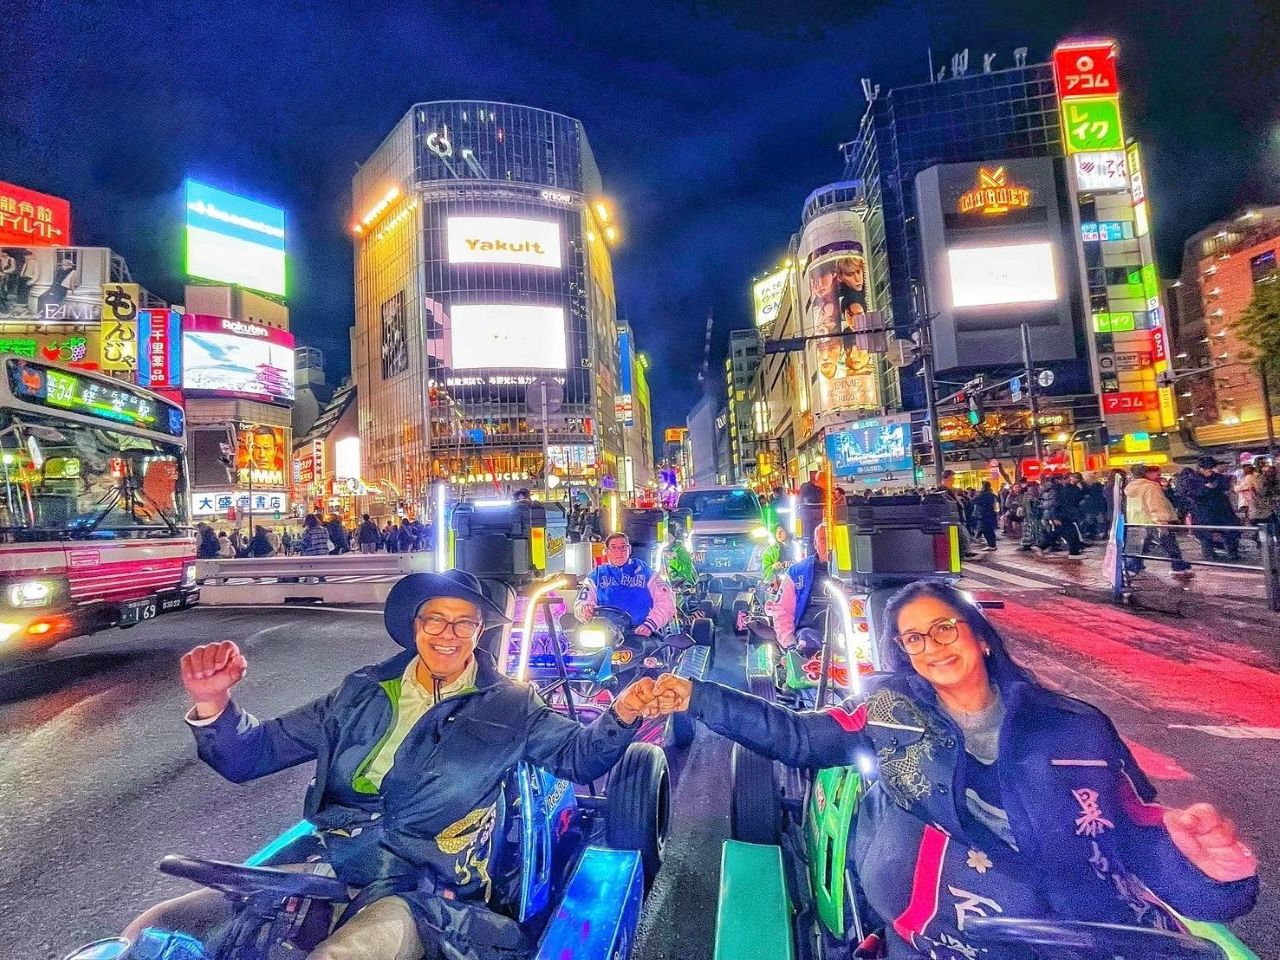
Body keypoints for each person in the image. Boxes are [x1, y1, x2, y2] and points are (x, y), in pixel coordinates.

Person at [648, 582, 1258, 956]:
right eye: (914, 639)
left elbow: (1139, 838)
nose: (933, 646)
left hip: (1101, 935)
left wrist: (1210, 868)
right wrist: (697, 696)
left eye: (944, 628)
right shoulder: (890, 715)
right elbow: (796, 737)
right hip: (946, 940)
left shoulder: (1076, 726)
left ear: (981, 637)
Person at [132, 570, 658, 960]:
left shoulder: (511, 705)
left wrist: (623, 713)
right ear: (415, 626)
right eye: (436, 619)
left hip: (425, 883)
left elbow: (579, 757)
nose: (448, 633)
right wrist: (213, 702)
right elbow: (252, 754)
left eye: (464, 622)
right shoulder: (359, 692)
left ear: (479, 631)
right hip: (330, 861)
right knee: (155, 930)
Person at [574, 532, 675, 638]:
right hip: (605, 634)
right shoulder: (596, 576)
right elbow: (582, 602)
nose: (619, 551)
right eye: (614, 548)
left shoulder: (646, 572)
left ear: (629, 549)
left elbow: (666, 600)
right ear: (607, 551)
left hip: (640, 634)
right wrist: (585, 609)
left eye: (623, 547)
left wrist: (650, 625)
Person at [763, 522, 828, 652]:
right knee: (807, 638)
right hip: (810, 635)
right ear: (815, 544)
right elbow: (782, 609)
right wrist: (789, 643)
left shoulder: (857, 575)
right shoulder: (797, 572)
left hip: (846, 632)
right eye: (823, 540)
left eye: (834, 540)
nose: (829, 545)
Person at [1123, 464, 1192, 574]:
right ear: (1146, 473)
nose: (1157, 475)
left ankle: (1132, 567)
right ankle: (1178, 566)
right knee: (1169, 543)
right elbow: (1155, 505)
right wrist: (1161, 521)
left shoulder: (1130, 487)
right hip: (1152, 521)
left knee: (1138, 547)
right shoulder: (1149, 487)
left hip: (1136, 521)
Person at [1187, 457, 1241, 562]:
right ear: (1200, 468)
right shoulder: (1192, 479)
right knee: (1205, 534)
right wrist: (1205, 488)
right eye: (1206, 468)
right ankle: (1209, 554)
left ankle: (1233, 552)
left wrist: (1218, 485)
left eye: (1211, 468)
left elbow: (1226, 486)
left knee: (1230, 531)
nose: (1209, 470)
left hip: (1221, 510)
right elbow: (1191, 494)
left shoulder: (1218, 477)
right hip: (1203, 512)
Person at [663, 523, 697, 592]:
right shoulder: (660, 549)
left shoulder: (681, 550)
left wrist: (672, 559)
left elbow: (686, 569)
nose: (667, 539)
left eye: (668, 536)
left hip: (678, 584)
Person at [974, 481, 998, 550]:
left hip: (984, 514)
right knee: (990, 530)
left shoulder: (983, 494)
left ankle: (991, 545)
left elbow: (975, 500)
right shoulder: (991, 494)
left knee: (986, 530)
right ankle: (992, 544)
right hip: (990, 514)